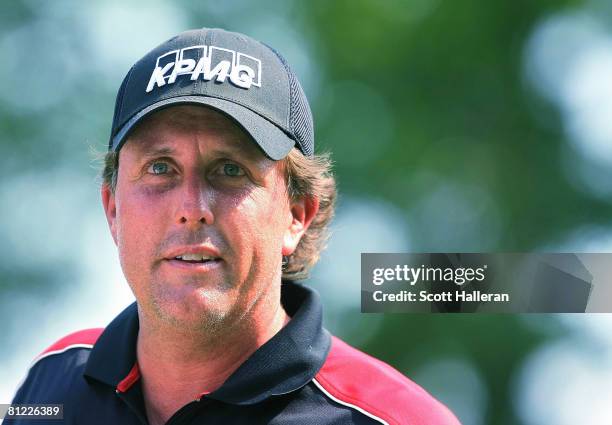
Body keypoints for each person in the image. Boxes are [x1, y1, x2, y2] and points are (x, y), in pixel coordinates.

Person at [8, 28, 460, 425]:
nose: (192, 207)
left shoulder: (401, 420)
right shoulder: (50, 384)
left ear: (297, 214)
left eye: (229, 170)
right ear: (112, 210)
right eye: (160, 167)